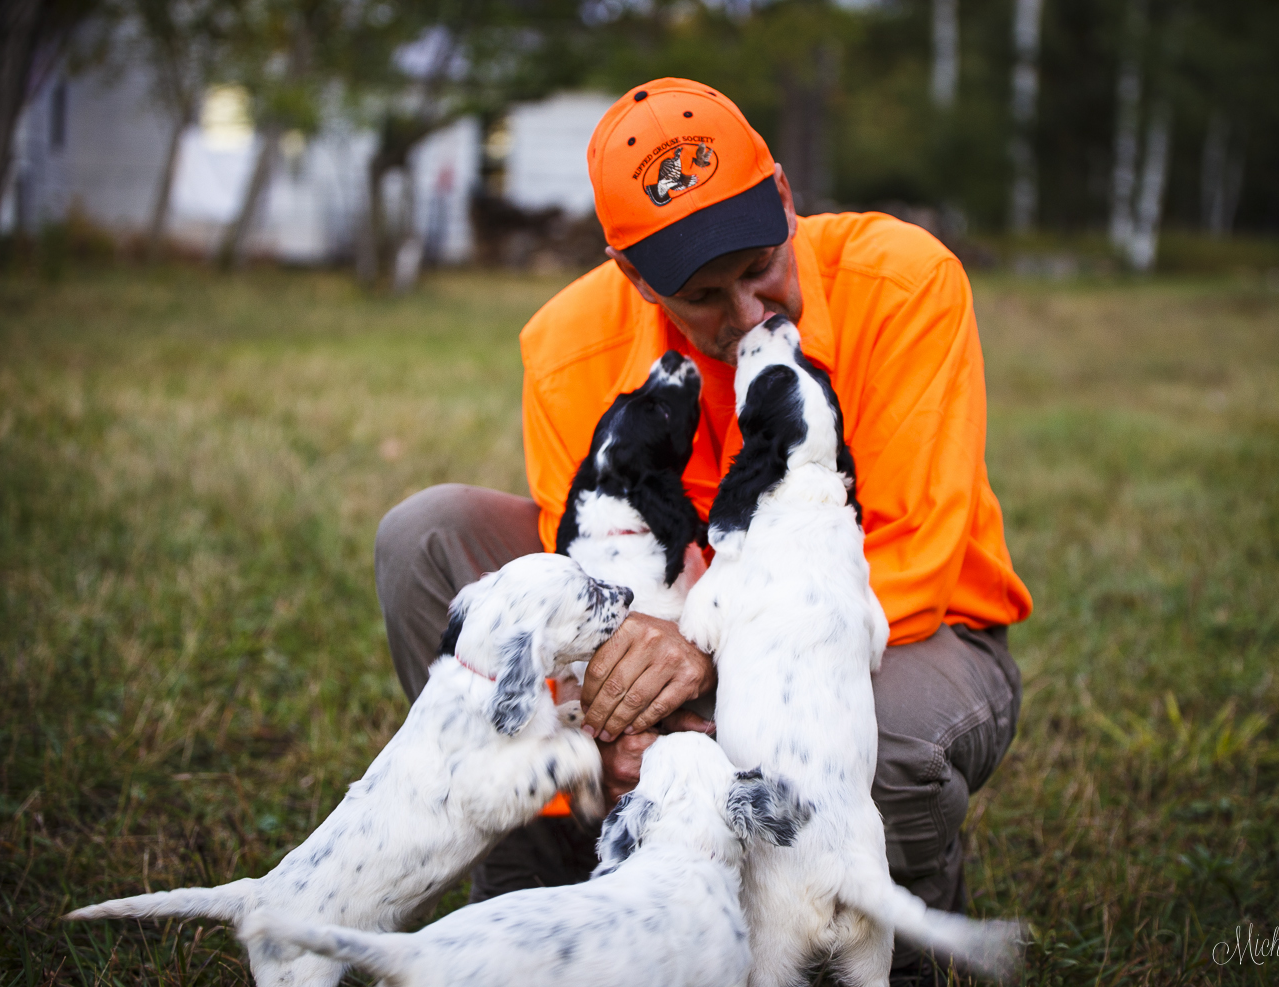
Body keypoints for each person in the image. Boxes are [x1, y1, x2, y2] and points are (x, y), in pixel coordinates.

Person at [373, 78, 1032, 979]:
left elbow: (912, 555)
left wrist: (707, 660)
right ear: (634, 275)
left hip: (900, 637)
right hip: (674, 632)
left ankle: (884, 950)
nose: (751, 312)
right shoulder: (569, 344)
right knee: (426, 537)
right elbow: (588, 562)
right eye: (706, 294)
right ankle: (553, 884)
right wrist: (626, 722)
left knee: (890, 737)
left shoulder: (906, 283)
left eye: (760, 264)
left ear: (787, 198)